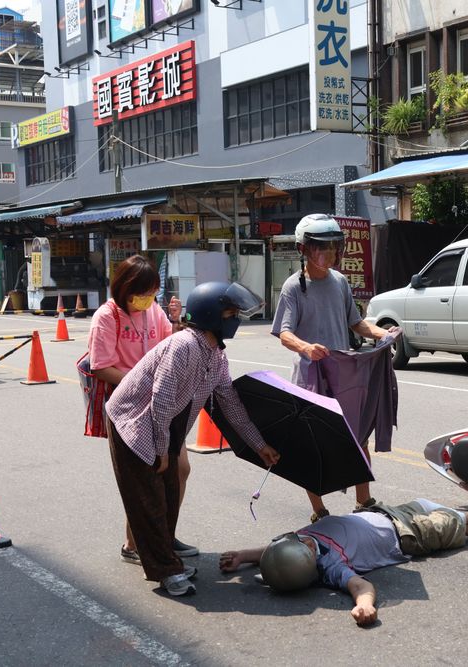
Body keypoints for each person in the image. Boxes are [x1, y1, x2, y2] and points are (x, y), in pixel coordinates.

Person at [106, 281, 281, 596]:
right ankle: (165, 571)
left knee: (170, 493)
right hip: (134, 422)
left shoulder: (216, 355)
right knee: (150, 498)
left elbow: (232, 406)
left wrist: (260, 445)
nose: (236, 319)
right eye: (230, 313)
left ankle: (165, 557)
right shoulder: (183, 346)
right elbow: (160, 400)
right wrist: (162, 450)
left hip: (164, 425)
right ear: (212, 314)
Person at [271, 213, 395, 522]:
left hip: (343, 374)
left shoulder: (339, 282)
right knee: (313, 446)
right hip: (310, 378)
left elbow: (355, 323)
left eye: (333, 248)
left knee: (358, 438)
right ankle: (319, 511)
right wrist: (305, 347)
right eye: (320, 248)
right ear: (304, 250)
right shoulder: (293, 287)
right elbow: (284, 333)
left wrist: (380, 332)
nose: (329, 254)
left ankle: (364, 502)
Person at [219, 499, 468, 626]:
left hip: (386, 512)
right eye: (304, 544)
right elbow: (359, 584)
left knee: (451, 511)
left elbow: (271, 554)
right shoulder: (331, 567)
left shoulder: (292, 548)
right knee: (463, 522)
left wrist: (243, 556)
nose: (302, 537)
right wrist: (366, 604)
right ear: (306, 563)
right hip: (409, 532)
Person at [86, 255, 193, 565]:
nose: (148, 300)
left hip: (159, 403)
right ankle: (135, 543)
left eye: (153, 294)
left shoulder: (152, 312)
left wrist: (174, 322)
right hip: (128, 408)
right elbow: (101, 366)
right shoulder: (107, 317)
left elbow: (168, 347)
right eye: (143, 293)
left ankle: (163, 535)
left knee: (179, 469)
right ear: (125, 288)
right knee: (142, 479)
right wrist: (142, 385)